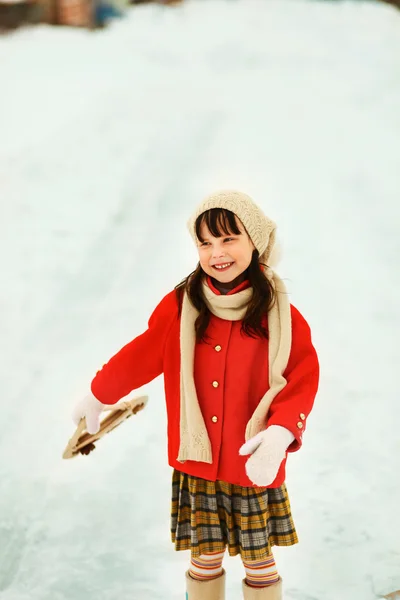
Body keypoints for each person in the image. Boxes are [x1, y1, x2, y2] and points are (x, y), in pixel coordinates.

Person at [72, 190, 319, 600]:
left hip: (252, 461)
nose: (216, 252)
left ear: (254, 242)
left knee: (259, 563)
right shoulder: (181, 305)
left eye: (228, 239)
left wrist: (279, 434)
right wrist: (99, 394)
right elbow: (142, 354)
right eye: (205, 242)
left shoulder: (281, 314)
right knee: (204, 562)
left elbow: (302, 378)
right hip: (199, 463)